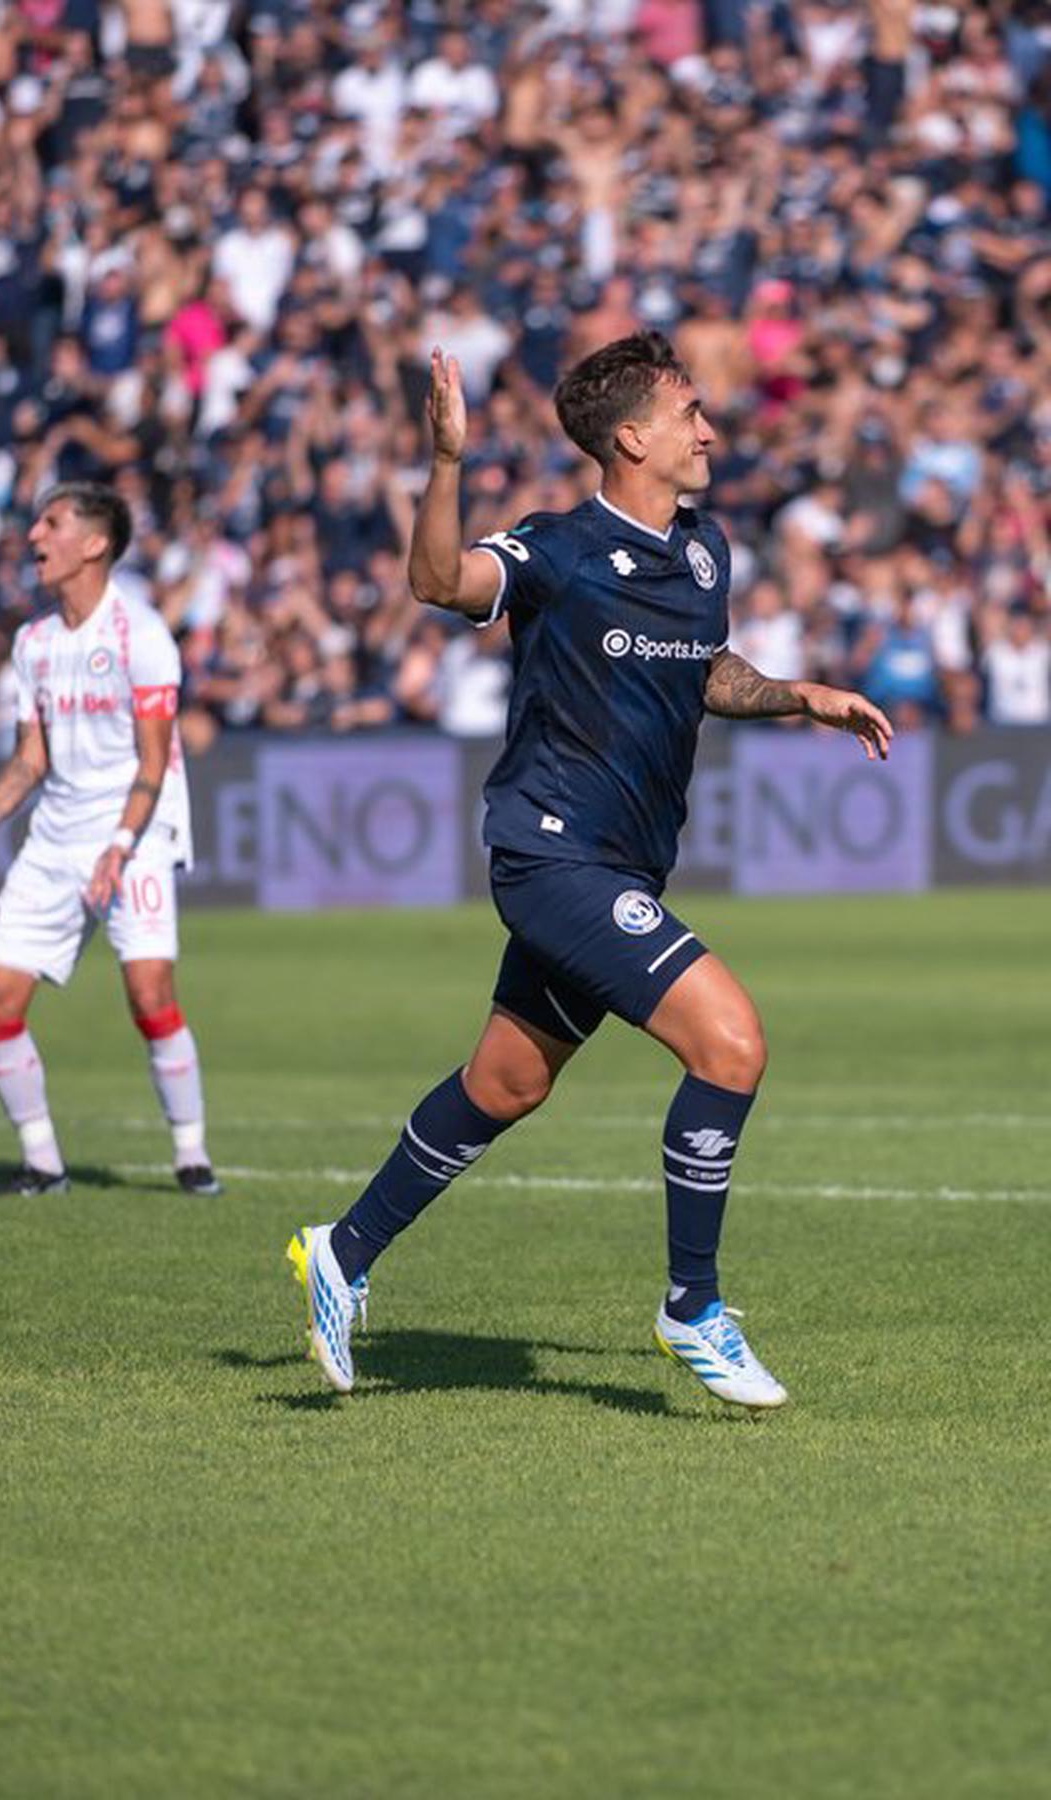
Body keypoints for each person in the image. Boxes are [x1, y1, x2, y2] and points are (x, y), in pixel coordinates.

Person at [287, 333, 892, 1409]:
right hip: (551, 854)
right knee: (731, 1044)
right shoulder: (558, 549)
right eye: (690, 413)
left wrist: (800, 694)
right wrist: (445, 461)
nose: (710, 430)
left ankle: (343, 1249)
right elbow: (438, 580)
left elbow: (705, 669)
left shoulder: (703, 552)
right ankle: (692, 1308)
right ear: (633, 438)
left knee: (506, 1085)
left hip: (627, 865)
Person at [0, 481, 220, 1198]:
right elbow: (28, 762)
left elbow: (152, 763)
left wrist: (119, 845)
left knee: (149, 993)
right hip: (56, 834)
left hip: (135, 831)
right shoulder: (33, 644)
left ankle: (191, 1154)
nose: (34, 536)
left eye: (51, 523)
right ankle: (42, 1163)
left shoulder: (141, 634)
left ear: (95, 543)